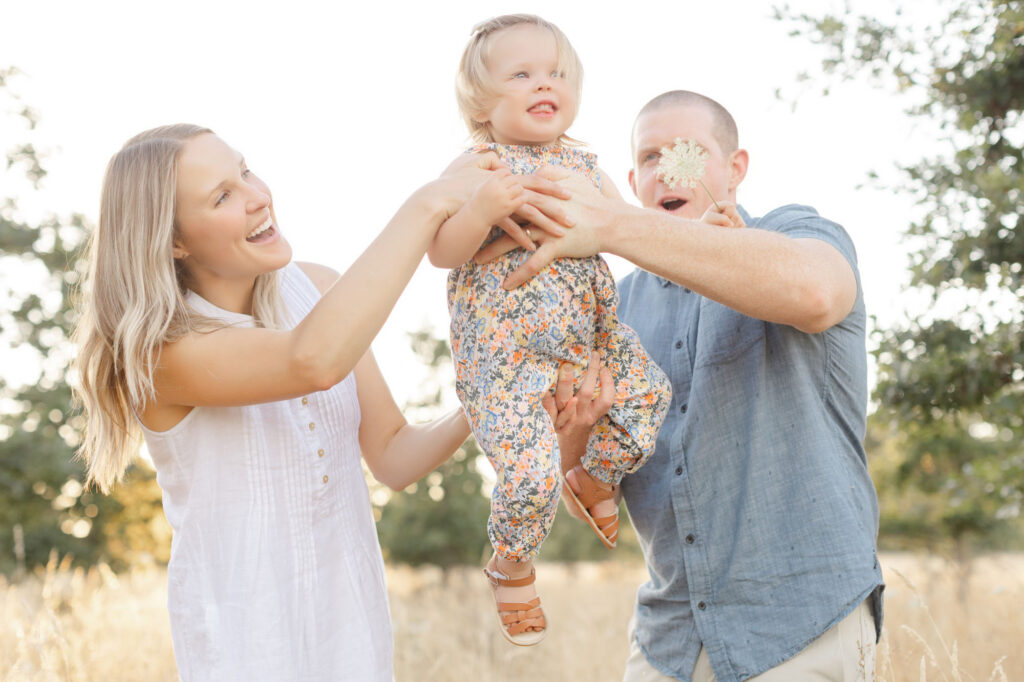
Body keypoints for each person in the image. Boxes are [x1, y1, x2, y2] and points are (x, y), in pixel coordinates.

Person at [71, 124, 570, 680]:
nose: (258, 195)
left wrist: (493, 403)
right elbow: (311, 361)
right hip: (248, 647)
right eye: (222, 196)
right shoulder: (161, 354)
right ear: (174, 241)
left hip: (352, 631)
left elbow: (393, 456)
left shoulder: (319, 290)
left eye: (244, 170)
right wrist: (427, 204)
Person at [486, 90, 884, 680]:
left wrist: (616, 225)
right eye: (649, 158)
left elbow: (818, 294)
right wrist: (575, 434)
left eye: (687, 152)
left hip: (802, 625)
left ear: (736, 168)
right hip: (668, 639)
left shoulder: (796, 232)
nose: (666, 169)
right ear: (631, 179)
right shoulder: (612, 310)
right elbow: (588, 495)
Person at [431, 14, 672, 646]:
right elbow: (442, 251)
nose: (546, 83)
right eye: (523, 74)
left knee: (650, 394)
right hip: (506, 352)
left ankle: (597, 474)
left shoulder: (585, 163)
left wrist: (706, 233)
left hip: (587, 335)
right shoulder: (477, 166)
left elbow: (635, 228)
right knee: (530, 471)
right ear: (481, 104)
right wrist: (481, 210)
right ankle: (511, 558)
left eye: (558, 72)